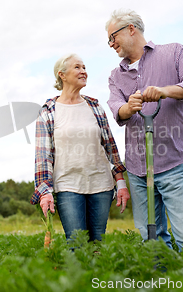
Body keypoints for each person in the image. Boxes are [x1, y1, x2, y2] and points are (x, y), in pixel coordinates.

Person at [105, 8, 183, 253]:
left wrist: (164, 90)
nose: (111, 44)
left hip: (174, 161)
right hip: (138, 169)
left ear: (131, 29)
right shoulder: (115, 76)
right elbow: (116, 108)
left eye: (113, 37)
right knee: (152, 239)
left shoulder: (173, 52)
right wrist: (128, 107)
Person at [30, 53, 130, 242]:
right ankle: (78, 272)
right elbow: (43, 157)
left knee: (97, 243)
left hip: (101, 184)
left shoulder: (94, 106)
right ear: (62, 75)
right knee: (76, 243)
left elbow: (110, 147)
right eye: (77, 67)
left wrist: (121, 183)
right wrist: (44, 192)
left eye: (84, 67)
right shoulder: (48, 111)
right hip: (67, 185)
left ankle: (95, 273)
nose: (83, 71)